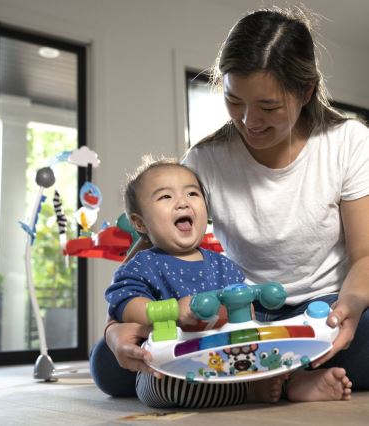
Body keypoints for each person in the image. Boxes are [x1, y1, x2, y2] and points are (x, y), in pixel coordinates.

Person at [90, 6, 369, 401]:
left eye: (268, 107)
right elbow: (146, 255)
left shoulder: (349, 142)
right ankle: (286, 378)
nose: (249, 120)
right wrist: (113, 328)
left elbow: (365, 256)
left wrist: (351, 308)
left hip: (322, 306)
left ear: (305, 91)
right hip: (232, 313)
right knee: (108, 366)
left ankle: (263, 378)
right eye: (234, 100)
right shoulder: (205, 160)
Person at [104, 158, 289, 408]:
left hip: (225, 355)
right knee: (161, 388)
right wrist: (170, 310)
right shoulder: (142, 264)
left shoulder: (223, 264)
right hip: (173, 361)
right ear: (140, 223)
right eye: (165, 197)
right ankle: (248, 392)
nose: (183, 202)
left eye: (192, 193)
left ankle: (291, 381)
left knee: (278, 354)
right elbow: (125, 303)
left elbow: (245, 311)